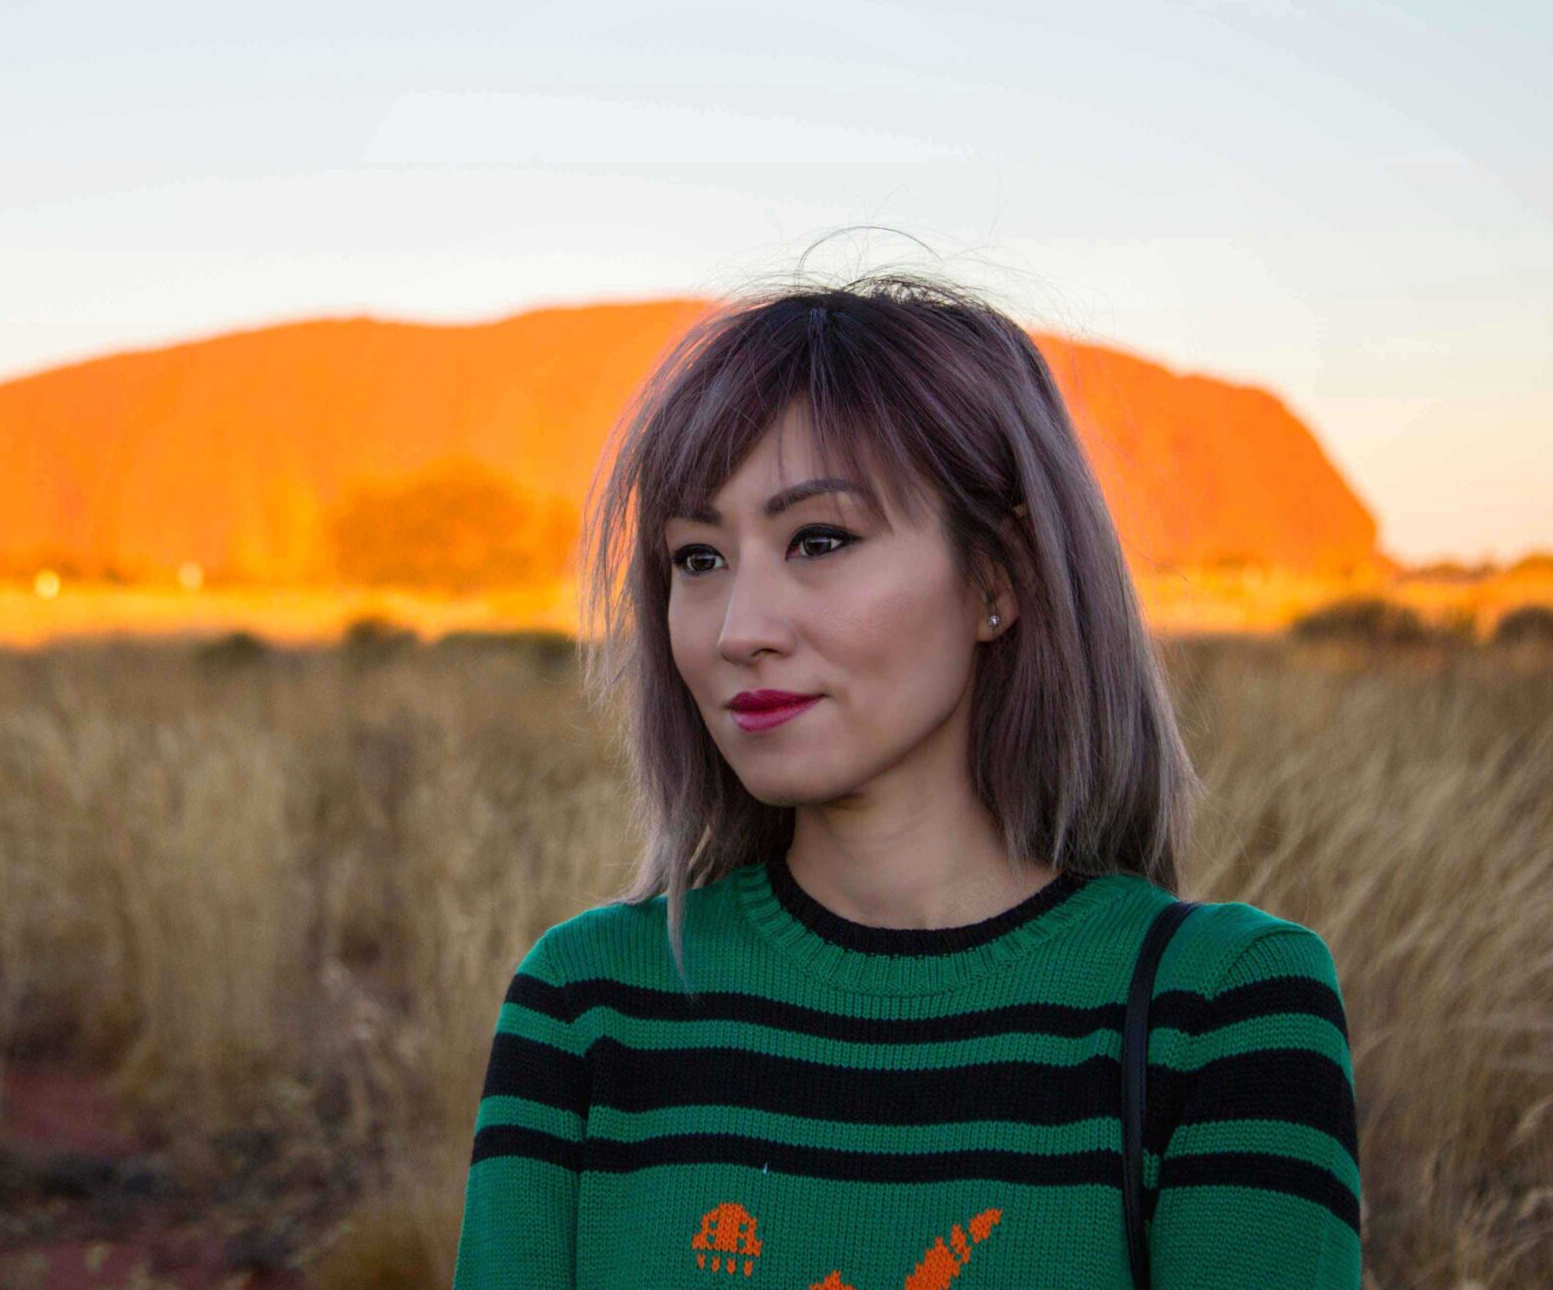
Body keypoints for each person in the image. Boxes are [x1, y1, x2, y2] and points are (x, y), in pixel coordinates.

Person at [450, 270, 1362, 1290]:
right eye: (696, 558)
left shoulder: (1223, 1011)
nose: (740, 627)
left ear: (997, 576)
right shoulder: (589, 1004)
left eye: (820, 540)